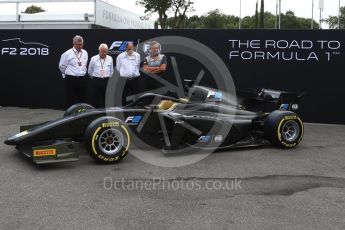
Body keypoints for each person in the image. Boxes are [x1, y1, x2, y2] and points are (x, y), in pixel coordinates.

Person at [59, 35, 88, 108]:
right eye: (78, 44)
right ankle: (70, 116)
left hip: (82, 79)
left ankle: (82, 115)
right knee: (70, 99)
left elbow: (84, 65)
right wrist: (68, 74)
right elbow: (62, 66)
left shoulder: (85, 53)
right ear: (74, 44)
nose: (80, 46)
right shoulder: (67, 53)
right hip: (71, 79)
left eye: (81, 44)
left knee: (83, 99)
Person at [88, 43, 114, 108]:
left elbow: (112, 71)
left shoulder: (110, 58)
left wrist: (108, 78)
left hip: (106, 80)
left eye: (106, 51)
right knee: (95, 98)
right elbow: (90, 71)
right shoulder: (93, 58)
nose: (104, 53)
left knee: (105, 98)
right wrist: (95, 78)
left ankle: (105, 113)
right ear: (99, 50)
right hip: (96, 80)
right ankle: (95, 113)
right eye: (103, 51)